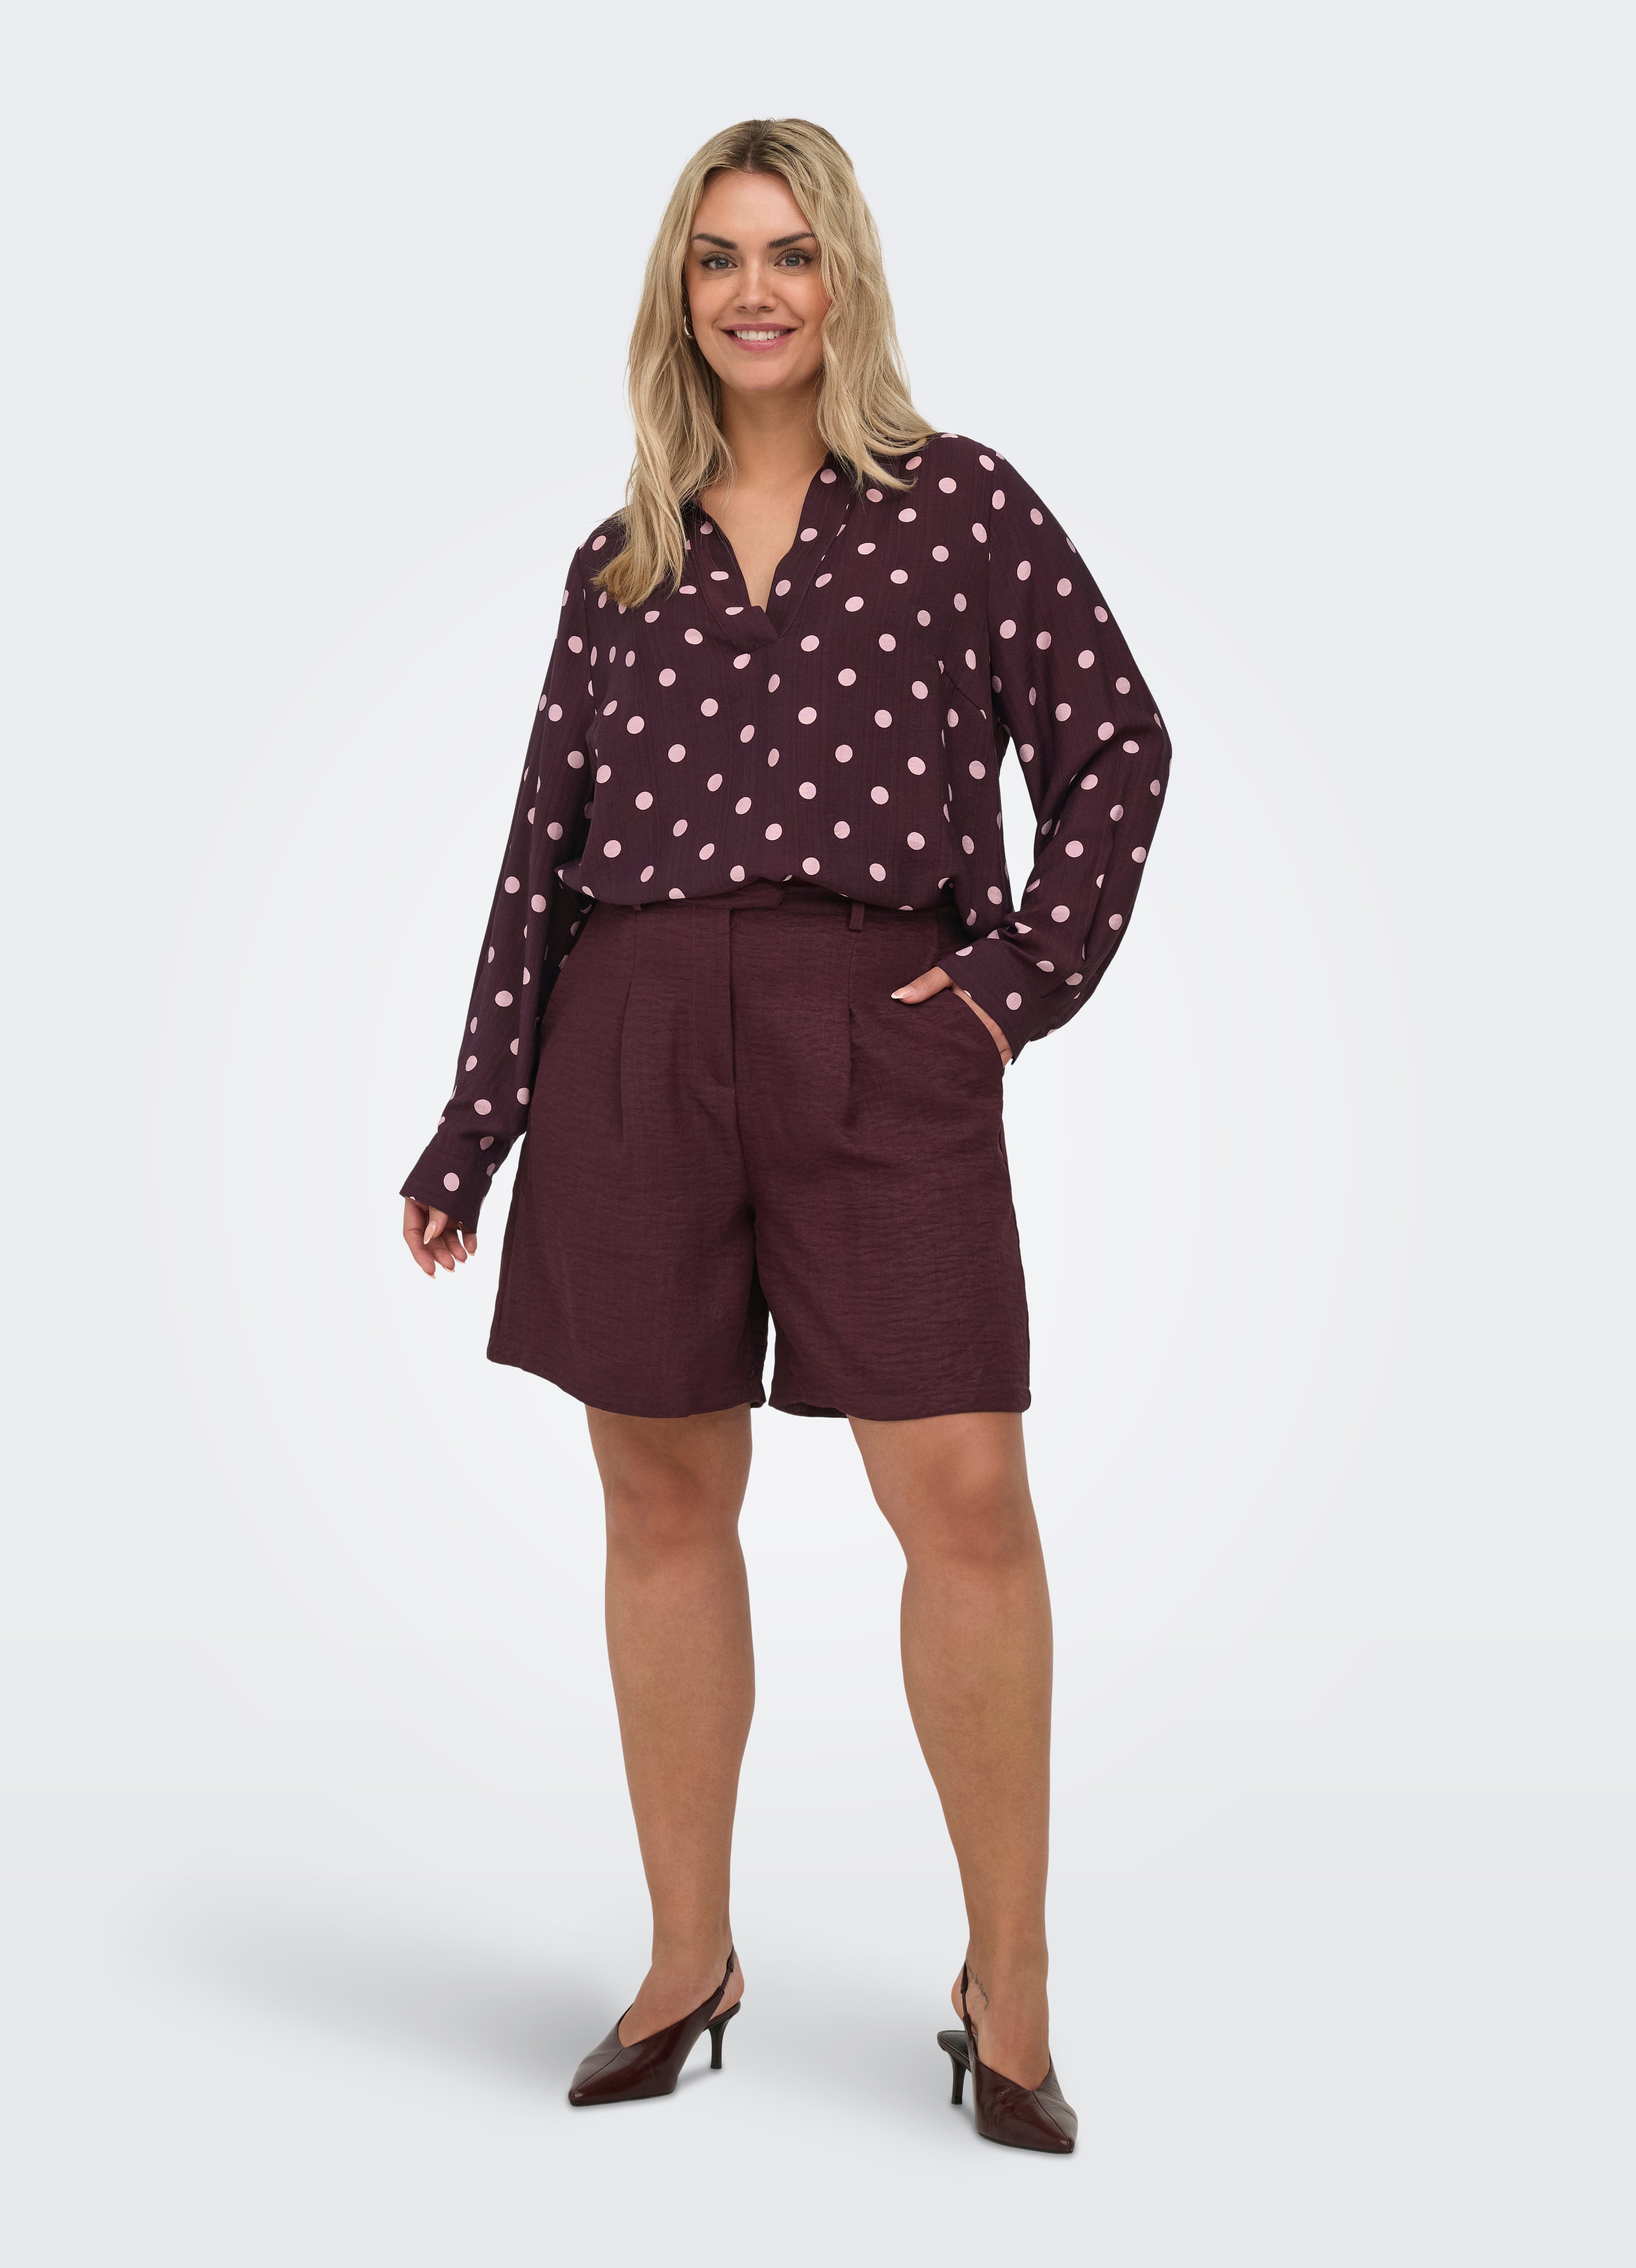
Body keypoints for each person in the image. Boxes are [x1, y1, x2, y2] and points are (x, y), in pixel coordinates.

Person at [399, 117, 1170, 2154]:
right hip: (634, 1035)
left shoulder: (957, 506)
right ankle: (686, 1960)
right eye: (721, 256)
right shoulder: (619, 559)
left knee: (966, 1498)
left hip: (878, 1029)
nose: (757, 291)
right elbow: (539, 860)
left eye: (793, 253)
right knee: (660, 1502)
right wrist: (475, 1125)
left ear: (847, 280)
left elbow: (1117, 745)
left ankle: (1008, 1991)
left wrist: (1007, 991)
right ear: (680, 291)